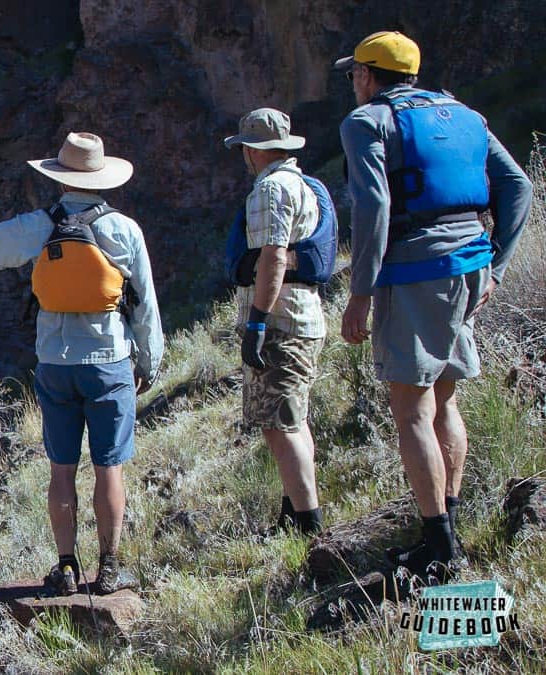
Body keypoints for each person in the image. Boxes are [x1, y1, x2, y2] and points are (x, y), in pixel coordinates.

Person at [335, 31, 533, 581]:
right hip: (468, 269)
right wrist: (496, 263)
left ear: (369, 77)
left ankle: (438, 546)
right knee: (444, 401)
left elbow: (373, 207)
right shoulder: (466, 115)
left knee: (412, 412)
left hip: (416, 275)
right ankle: (445, 518)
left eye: (355, 73)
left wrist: (360, 292)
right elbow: (517, 186)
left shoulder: (367, 123)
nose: (353, 82)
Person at [0, 132, 163, 595]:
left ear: (59, 178)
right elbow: (145, 306)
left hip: (55, 364)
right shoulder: (125, 231)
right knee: (109, 467)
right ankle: (109, 569)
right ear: (102, 178)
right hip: (108, 362)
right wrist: (150, 360)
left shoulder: (39, 225)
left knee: (61, 469)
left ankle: (65, 568)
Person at [223, 108, 327, 536]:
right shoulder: (303, 184)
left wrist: (257, 321)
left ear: (254, 150)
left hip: (281, 321)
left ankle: (309, 526)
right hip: (302, 317)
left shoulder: (271, 189)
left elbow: (273, 256)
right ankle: (294, 510)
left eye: (245, 148)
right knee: (290, 419)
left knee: (282, 424)